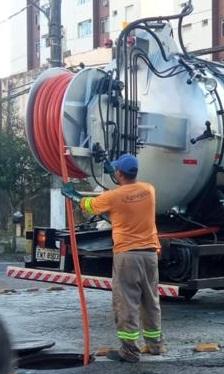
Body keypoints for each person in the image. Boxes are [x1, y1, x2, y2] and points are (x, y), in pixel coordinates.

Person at [62, 154, 162, 363]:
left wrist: (73, 195)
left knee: (126, 302)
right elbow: (126, 193)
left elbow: (88, 205)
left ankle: (129, 351)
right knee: (150, 300)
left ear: (118, 173)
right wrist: (113, 171)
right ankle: (155, 345)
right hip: (150, 254)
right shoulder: (149, 190)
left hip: (127, 256)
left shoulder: (113, 198)